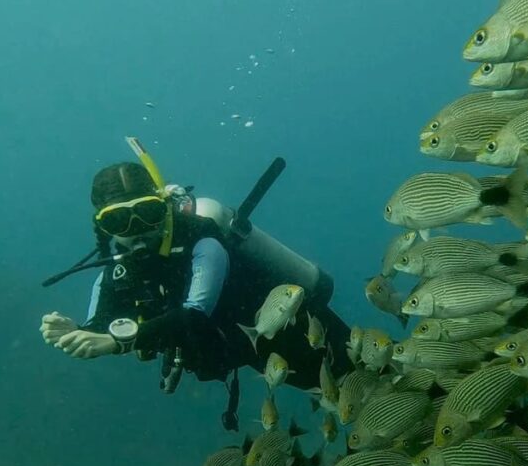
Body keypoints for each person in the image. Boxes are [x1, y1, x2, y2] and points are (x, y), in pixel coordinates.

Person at [39, 160, 351, 427]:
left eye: (147, 212)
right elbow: (103, 323)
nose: (136, 229)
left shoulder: (202, 240)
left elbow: (196, 315)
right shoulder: (117, 270)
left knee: (364, 381)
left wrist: (120, 341)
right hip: (244, 350)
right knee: (347, 406)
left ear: (163, 207)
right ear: (104, 227)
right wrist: (77, 331)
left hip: (293, 331)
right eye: (119, 220)